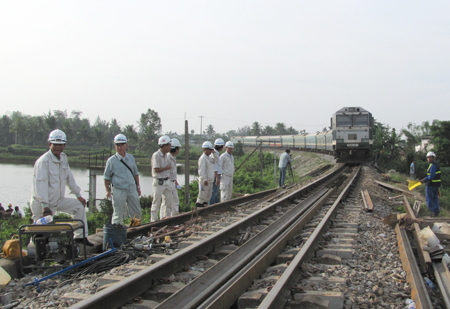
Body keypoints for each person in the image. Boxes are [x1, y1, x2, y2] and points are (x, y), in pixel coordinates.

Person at [30, 129, 92, 245]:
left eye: (61, 145)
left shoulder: (63, 158)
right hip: (43, 204)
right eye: (55, 144)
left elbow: (69, 178)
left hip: (57, 200)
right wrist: (45, 207)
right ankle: (33, 254)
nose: (58, 147)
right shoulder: (43, 162)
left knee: (78, 207)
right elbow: (40, 185)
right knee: (38, 232)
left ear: (64, 145)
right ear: (50, 144)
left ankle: (80, 237)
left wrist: (78, 195)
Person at [104, 134, 142, 225]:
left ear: (126, 145)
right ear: (115, 146)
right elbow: (106, 177)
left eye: (122, 144)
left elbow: (135, 173)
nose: (120, 147)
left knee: (136, 212)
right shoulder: (111, 161)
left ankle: (135, 230)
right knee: (118, 213)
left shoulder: (131, 158)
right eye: (118, 145)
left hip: (131, 189)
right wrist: (107, 190)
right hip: (119, 190)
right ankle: (116, 233)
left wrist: (138, 187)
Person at [151, 136, 173, 222]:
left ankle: (166, 219)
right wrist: (166, 168)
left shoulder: (166, 156)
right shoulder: (156, 155)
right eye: (169, 145)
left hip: (166, 181)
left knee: (169, 201)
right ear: (164, 146)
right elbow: (156, 169)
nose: (170, 147)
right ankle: (153, 220)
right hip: (158, 182)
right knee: (156, 202)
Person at [162, 138, 182, 217]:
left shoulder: (172, 157)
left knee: (174, 201)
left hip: (172, 182)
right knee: (167, 203)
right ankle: (165, 219)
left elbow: (172, 172)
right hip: (168, 182)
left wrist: (175, 180)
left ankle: (174, 218)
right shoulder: (167, 158)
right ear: (176, 149)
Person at [420, 152, 441, 217]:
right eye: (427, 158)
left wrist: (424, 179)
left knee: (430, 199)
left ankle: (432, 212)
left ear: (433, 158)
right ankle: (436, 211)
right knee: (435, 198)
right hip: (436, 185)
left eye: (429, 158)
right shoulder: (436, 164)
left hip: (431, 184)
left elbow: (431, 176)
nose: (428, 159)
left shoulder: (432, 166)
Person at [196, 141, 216, 208]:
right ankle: (198, 210)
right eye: (209, 150)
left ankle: (204, 210)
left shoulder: (209, 158)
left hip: (210, 180)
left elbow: (216, 160)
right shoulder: (203, 158)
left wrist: (214, 153)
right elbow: (201, 170)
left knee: (208, 197)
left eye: (211, 150)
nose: (210, 151)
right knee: (202, 197)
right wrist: (204, 179)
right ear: (205, 149)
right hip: (205, 181)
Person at [209, 138, 224, 205]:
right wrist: (217, 178)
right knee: (213, 192)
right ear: (221, 147)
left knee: (216, 191)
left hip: (216, 175)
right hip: (215, 175)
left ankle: (216, 205)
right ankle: (212, 206)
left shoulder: (216, 153)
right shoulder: (214, 154)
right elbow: (214, 167)